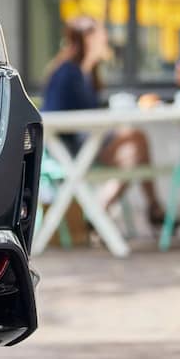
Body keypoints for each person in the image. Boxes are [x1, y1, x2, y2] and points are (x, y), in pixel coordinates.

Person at [41, 15, 165, 225]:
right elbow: (51, 117)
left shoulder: (88, 73)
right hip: (68, 149)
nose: (106, 39)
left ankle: (105, 210)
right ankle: (106, 209)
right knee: (136, 145)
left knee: (136, 149)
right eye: (101, 34)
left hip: (90, 142)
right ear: (88, 38)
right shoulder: (66, 73)